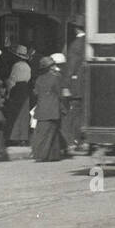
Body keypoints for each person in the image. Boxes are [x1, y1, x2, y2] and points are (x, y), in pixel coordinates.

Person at [29, 55, 66, 162]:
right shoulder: (56, 77)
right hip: (53, 107)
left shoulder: (39, 78)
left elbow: (35, 92)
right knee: (50, 132)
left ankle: (52, 155)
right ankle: (41, 154)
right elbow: (60, 93)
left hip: (41, 108)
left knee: (43, 131)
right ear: (51, 67)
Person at [62, 17, 88, 155]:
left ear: (76, 29)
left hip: (77, 85)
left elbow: (71, 66)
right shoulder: (89, 43)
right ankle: (84, 141)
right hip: (88, 85)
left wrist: (66, 85)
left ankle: (73, 141)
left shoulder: (76, 44)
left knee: (73, 114)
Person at [5, 45, 34, 145]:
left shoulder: (16, 66)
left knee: (14, 114)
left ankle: (14, 137)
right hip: (25, 89)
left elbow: (12, 80)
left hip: (17, 90)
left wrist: (8, 92)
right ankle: (23, 137)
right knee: (24, 114)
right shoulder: (27, 66)